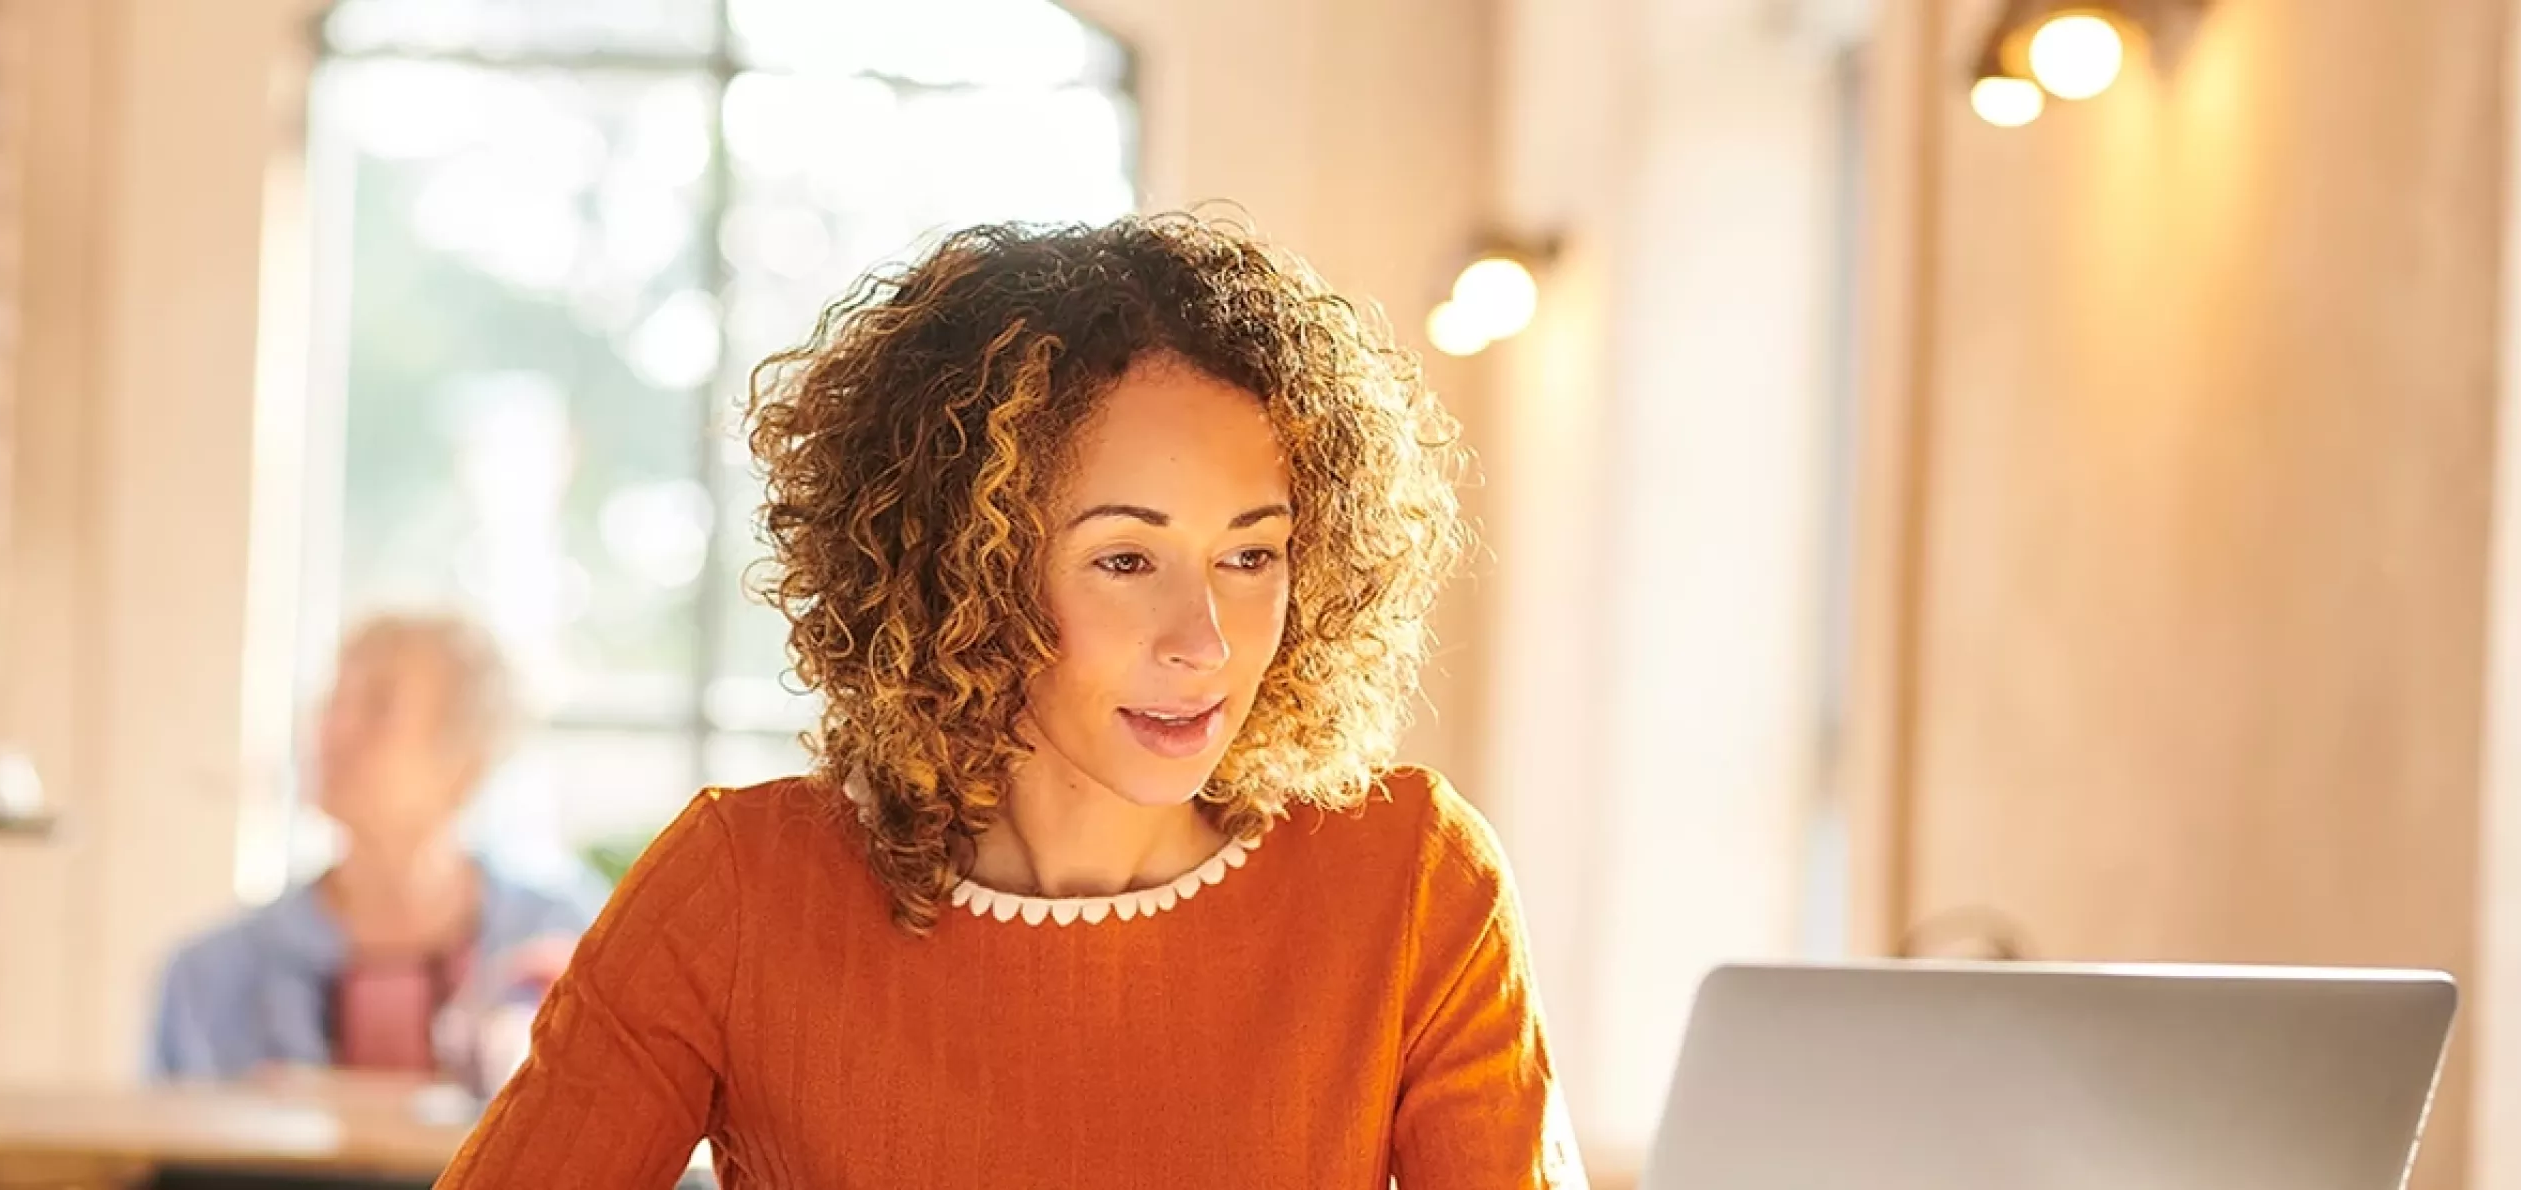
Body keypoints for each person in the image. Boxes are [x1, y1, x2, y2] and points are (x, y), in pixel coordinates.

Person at [436, 214, 1586, 1189]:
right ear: (966, 574)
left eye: (1252, 555)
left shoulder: (1411, 881)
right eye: (1126, 559)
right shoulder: (740, 889)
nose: (1208, 641)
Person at [149, 613, 597, 1084]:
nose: (333, 731)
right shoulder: (209, 976)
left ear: (468, 762)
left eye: (378, 706)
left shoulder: (569, 942)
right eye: (333, 702)